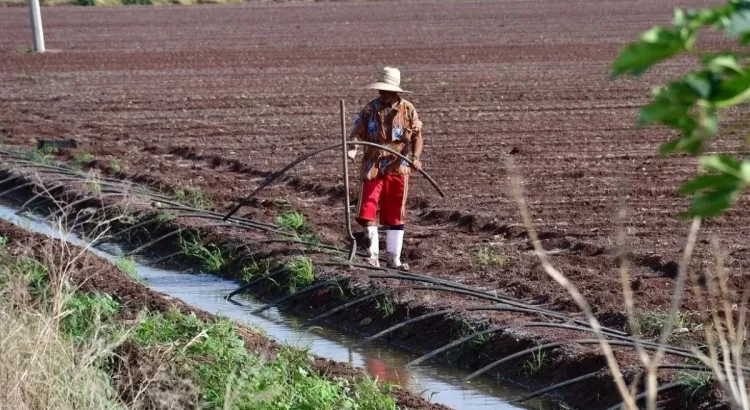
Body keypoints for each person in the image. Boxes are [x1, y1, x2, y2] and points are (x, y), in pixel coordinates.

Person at [347, 67, 423, 271]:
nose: (382, 93)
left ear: (395, 91)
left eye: (386, 90)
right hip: (373, 165)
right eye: (380, 89)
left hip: (399, 167)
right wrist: (352, 148)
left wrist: (415, 158)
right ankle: (372, 256)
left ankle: (393, 259)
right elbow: (356, 133)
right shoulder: (369, 109)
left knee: (396, 211)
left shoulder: (408, 110)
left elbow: (417, 137)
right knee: (368, 208)